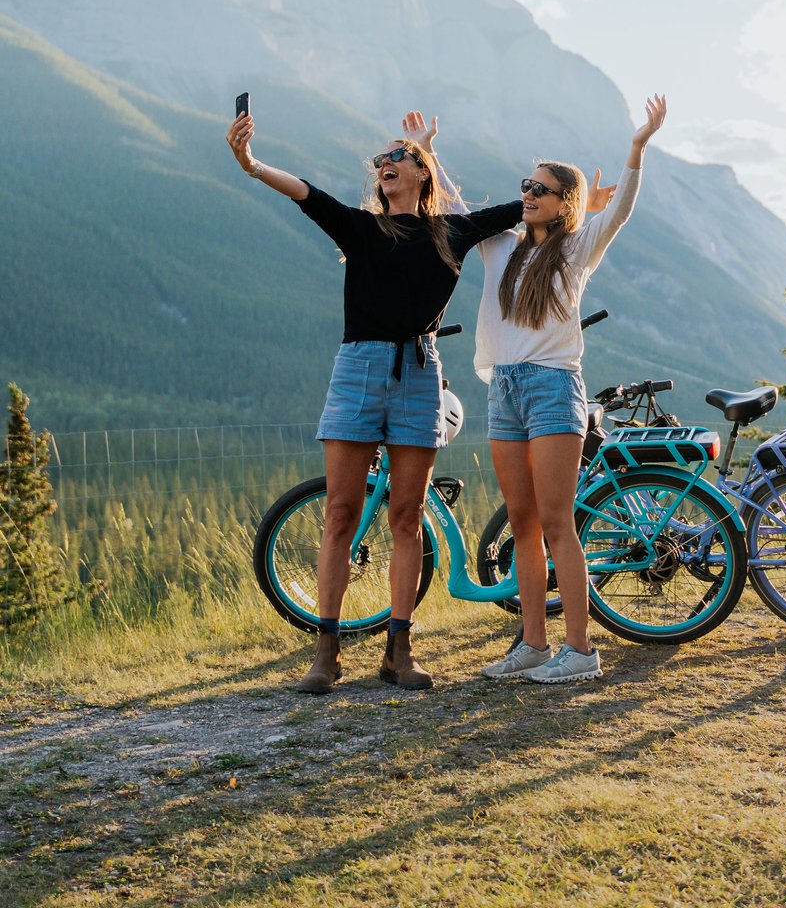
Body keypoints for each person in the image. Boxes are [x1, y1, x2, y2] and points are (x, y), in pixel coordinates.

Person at [226, 108, 522, 693]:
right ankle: (326, 652)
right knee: (340, 513)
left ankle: (398, 650)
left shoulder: (450, 233)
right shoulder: (361, 229)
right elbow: (306, 194)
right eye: (381, 160)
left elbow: (522, 208)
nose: (385, 164)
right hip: (358, 368)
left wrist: (580, 202)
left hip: (419, 372)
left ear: (422, 174)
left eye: (398, 158)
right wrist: (251, 164)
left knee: (406, 517)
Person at [472, 95, 668, 684]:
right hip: (503, 389)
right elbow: (453, 211)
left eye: (540, 190)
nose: (527, 195)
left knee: (558, 521)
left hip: (554, 388)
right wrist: (426, 154)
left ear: (565, 203)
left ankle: (579, 651)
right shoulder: (500, 245)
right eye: (525, 186)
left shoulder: (579, 248)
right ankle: (533, 644)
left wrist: (636, 148)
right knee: (522, 523)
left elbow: (622, 212)